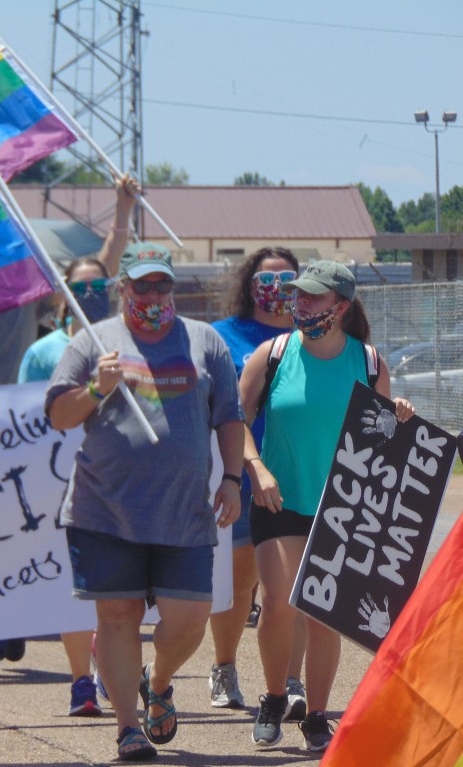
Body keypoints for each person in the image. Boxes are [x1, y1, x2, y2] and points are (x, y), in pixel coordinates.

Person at [0, 175, 141, 681]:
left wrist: (121, 210)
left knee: (32, 533)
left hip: (30, 434)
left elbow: (96, 277)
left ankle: (16, 627)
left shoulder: (22, 288)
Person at [46, 241, 244, 761]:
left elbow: (229, 417)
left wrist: (232, 480)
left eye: (162, 284)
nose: (153, 293)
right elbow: (59, 416)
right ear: (123, 287)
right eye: (142, 284)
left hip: (184, 511)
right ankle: (128, 729)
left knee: (189, 619)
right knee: (117, 616)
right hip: (104, 510)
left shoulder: (206, 342)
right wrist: (97, 387)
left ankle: (158, 681)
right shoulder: (93, 341)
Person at [239, 260, 414, 752]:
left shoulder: (369, 362)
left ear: (340, 307)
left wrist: (400, 417)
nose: (302, 304)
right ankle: (274, 698)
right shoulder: (271, 354)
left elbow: (382, 442)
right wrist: (256, 467)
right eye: (300, 295)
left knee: (322, 615)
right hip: (280, 500)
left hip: (341, 506)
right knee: (276, 604)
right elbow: (235, 422)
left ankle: (316, 715)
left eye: (314, 297)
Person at [206, 247, 308, 715]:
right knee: (239, 579)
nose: (277, 286)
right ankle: (224, 667)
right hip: (239, 474)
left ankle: (289, 682)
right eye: (267, 278)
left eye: (288, 278)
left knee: (292, 589)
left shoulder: (310, 334)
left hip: (297, 477)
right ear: (249, 284)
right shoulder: (224, 336)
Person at [19, 256, 114, 717]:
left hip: (118, 482)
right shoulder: (42, 353)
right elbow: (19, 417)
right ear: (63, 293)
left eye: (101, 284)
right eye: (82, 286)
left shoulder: (132, 344)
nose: (91, 293)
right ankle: (82, 681)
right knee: (71, 584)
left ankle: (113, 666)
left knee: (119, 588)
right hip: (56, 486)